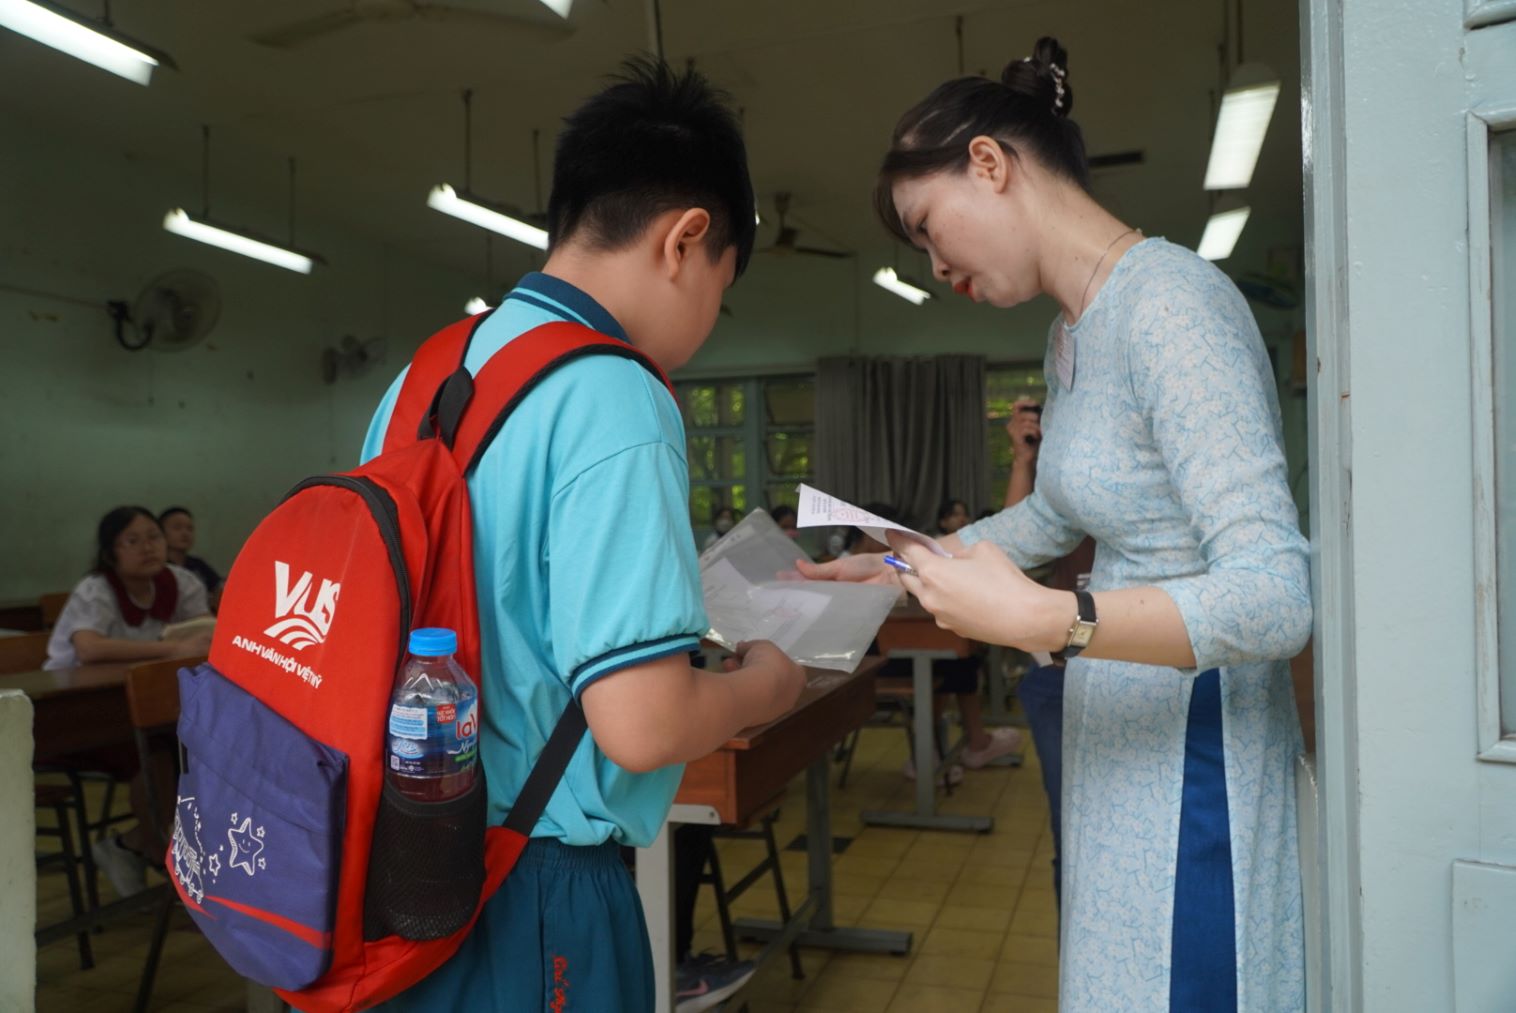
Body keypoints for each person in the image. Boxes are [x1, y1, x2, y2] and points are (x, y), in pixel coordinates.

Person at [801, 37, 1312, 1012]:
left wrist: (1051, 620)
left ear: (989, 164)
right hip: (1117, 741)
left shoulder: (1172, 306)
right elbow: (1054, 510)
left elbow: (1276, 595)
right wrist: (900, 563)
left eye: (927, 227)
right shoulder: (1073, 328)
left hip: (1193, 759)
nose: (935, 265)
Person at [362, 59, 805, 1013]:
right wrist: (767, 686)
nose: (708, 321)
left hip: (403, 862)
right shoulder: (616, 392)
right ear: (686, 240)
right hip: (536, 887)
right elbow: (643, 725)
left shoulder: (425, 373)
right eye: (720, 288)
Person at [45, 506, 213, 897]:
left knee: (197, 751)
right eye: (132, 541)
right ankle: (154, 849)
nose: (147, 547)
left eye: (153, 537)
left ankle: (135, 845)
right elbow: (89, 648)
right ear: (110, 553)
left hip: (152, 707)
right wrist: (171, 649)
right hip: (82, 714)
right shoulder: (96, 589)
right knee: (157, 753)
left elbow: (205, 635)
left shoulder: (182, 581)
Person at [1003, 397, 1095, 914]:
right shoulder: (1059, 491)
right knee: (1072, 837)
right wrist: (1025, 461)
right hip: (1061, 677)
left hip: (1142, 673)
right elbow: (1011, 551)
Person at [158, 506, 223, 604]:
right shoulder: (159, 567)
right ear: (160, 533)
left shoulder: (198, 564)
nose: (185, 533)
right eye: (177, 528)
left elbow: (218, 587)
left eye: (190, 529)